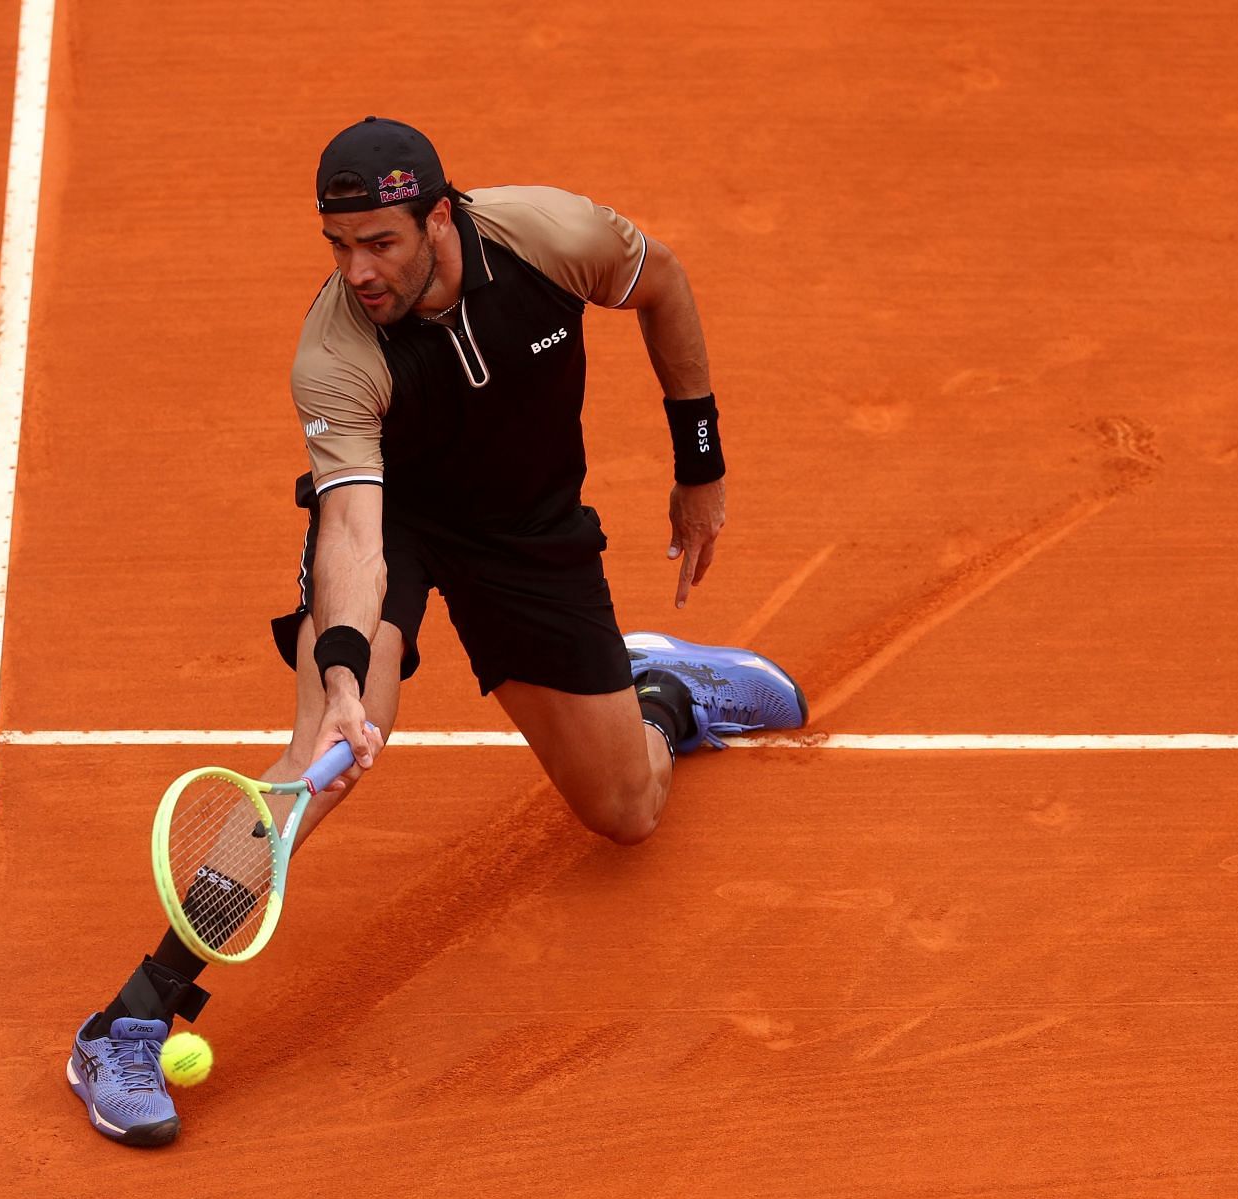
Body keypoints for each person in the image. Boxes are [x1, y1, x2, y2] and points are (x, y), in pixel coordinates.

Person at [67, 117, 808, 1146]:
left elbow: (666, 285)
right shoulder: (337, 351)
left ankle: (663, 695)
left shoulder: (551, 236)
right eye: (338, 246)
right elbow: (358, 534)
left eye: (380, 242)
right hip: (401, 524)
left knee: (627, 812)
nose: (358, 271)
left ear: (439, 218)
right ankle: (130, 1019)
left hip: (529, 529)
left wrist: (701, 463)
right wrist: (340, 675)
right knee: (321, 754)